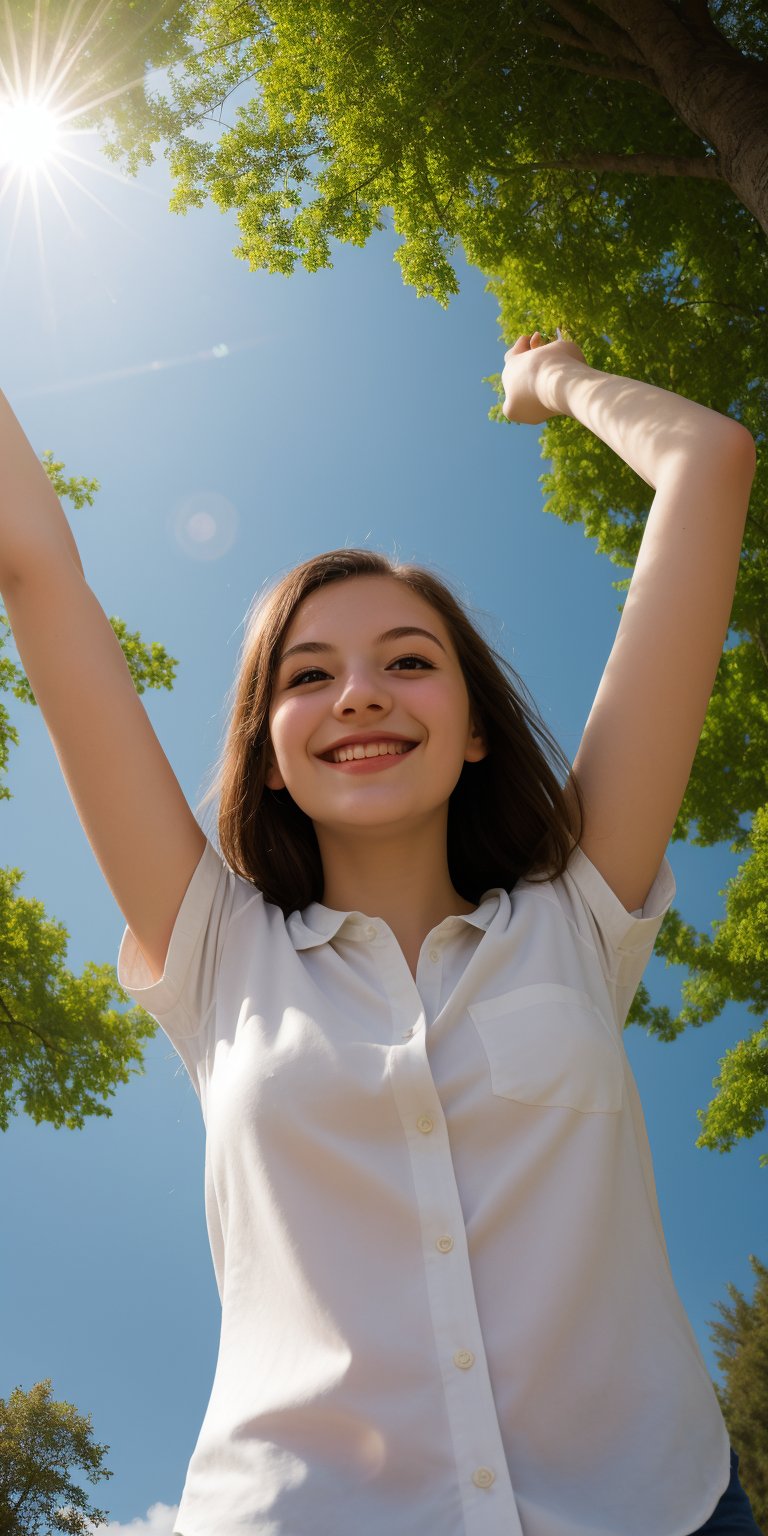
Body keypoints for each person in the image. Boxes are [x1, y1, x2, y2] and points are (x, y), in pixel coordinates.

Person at [0, 332, 762, 1536]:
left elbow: (710, 462)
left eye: (408, 662)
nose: (358, 692)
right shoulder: (217, 951)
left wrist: (551, 378)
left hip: (653, 1508)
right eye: (308, 675)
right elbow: (31, 564)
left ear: (471, 730)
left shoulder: (577, 912)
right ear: (270, 749)